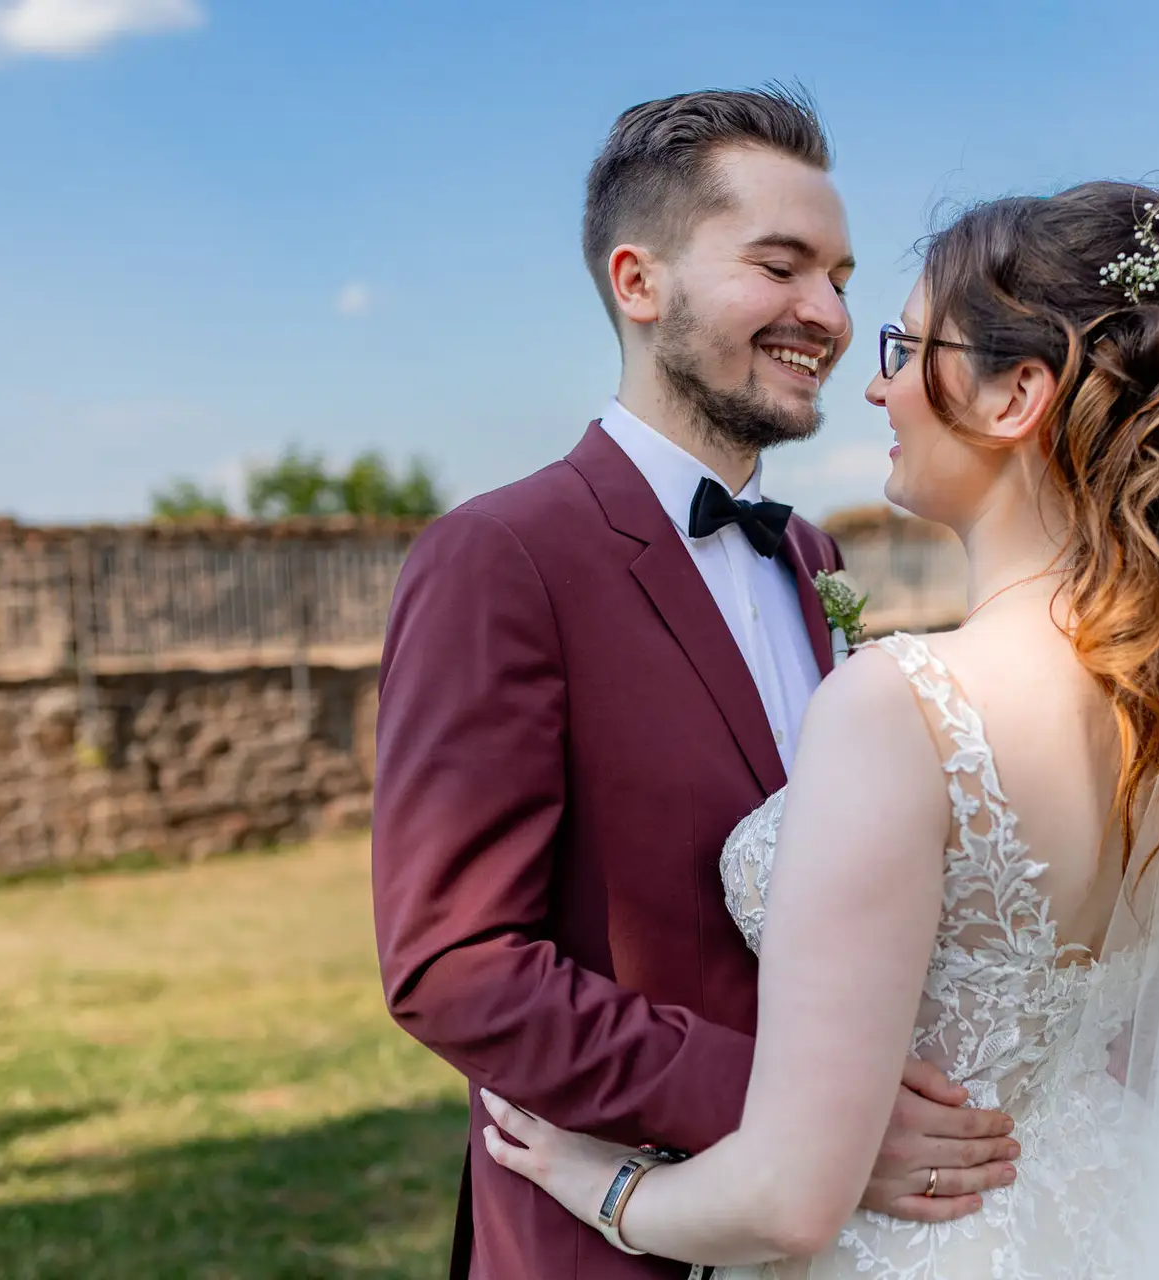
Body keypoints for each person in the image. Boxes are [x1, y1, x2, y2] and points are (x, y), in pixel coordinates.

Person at [476, 181, 1159, 1279]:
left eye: (909, 347)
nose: (877, 384)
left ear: (1015, 397)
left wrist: (599, 1183)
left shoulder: (904, 704)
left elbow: (791, 1199)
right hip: (1106, 1217)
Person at [370, 87, 1019, 1280]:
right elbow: (454, 966)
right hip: (610, 1234)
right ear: (639, 280)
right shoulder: (502, 557)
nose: (826, 313)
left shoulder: (811, 556)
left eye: (838, 274)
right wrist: (798, 1107)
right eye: (780, 266)